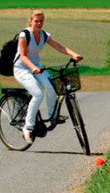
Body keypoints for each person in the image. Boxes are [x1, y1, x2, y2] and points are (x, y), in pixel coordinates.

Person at [13, 9, 82, 144]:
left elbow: (59, 47)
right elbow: (23, 56)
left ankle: (52, 116)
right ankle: (28, 127)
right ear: (31, 21)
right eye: (36, 21)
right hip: (22, 68)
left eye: (41, 21)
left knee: (52, 86)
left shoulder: (44, 35)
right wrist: (33, 68)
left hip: (36, 66)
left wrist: (74, 54)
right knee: (38, 94)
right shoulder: (24, 35)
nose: (39, 24)